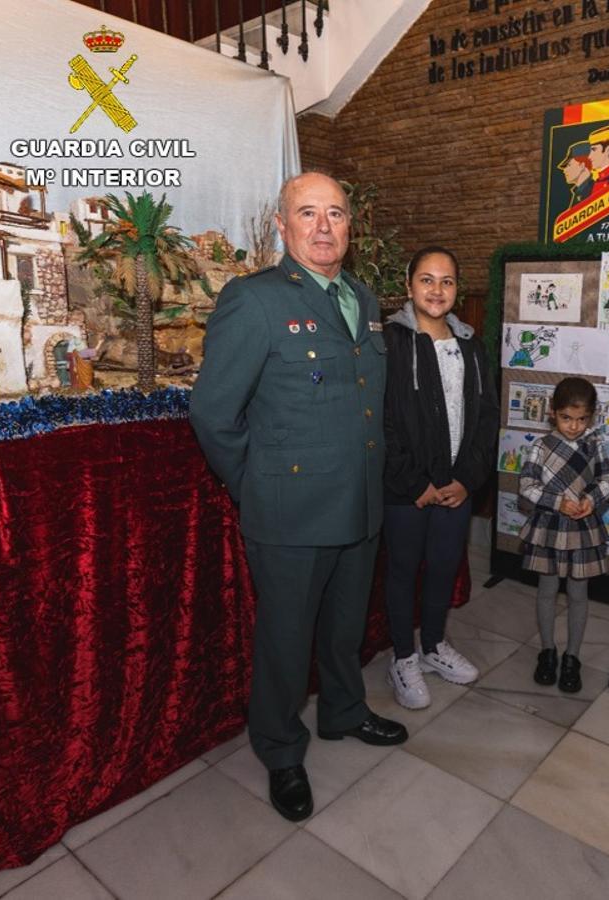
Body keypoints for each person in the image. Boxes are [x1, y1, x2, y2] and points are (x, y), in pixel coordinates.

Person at [189, 172, 405, 823]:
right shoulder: (253, 301)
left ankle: (343, 710)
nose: (322, 226)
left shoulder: (363, 297)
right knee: (286, 641)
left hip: (358, 504)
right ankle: (281, 748)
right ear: (281, 226)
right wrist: (254, 484)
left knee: (343, 628)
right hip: (290, 513)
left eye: (335, 213)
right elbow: (212, 412)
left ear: (350, 227)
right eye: (306, 213)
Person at [382, 246, 499, 710]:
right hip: (405, 490)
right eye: (426, 280)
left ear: (457, 289)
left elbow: (487, 417)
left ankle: (432, 646)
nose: (436, 290)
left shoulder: (471, 344)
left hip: (456, 488)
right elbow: (382, 420)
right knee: (403, 570)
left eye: (446, 281)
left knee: (444, 566)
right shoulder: (389, 341)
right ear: (409, 286)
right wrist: (415, 483)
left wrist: (468, 479)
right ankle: (403, 657)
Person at [518, 377, 609, 694]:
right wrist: (559, 502)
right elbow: (527, 488)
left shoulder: (595, 444)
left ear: (592, 416)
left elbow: (607, 480)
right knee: (546, 591)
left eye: (582, 419)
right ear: (552, 413)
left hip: (582, 531)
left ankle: (572, 657)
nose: (574, 427)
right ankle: (548, 652)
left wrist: (590, 500)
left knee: (578, 594)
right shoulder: (539, 448)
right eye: (566, 418)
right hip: (549, 528)